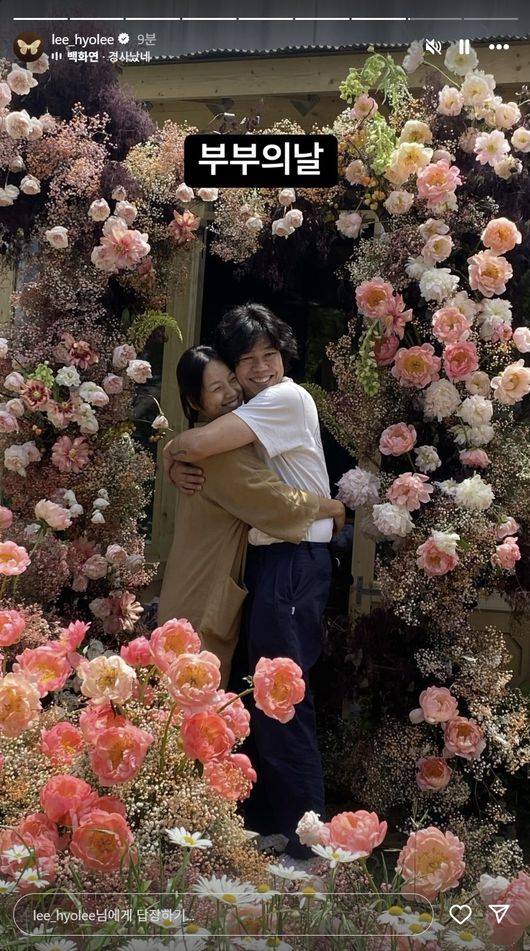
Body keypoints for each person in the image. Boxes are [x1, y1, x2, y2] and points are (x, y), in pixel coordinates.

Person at [164, 304, 336, 859]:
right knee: (265, 697)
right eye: (247, 361)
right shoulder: (251, 413)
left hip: (293, 559)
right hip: (274, 563)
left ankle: (308, 845)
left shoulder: (285, 398)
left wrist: (338, 509)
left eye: (271, 354)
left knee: (282, 699)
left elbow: (197, 446)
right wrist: (172, 455)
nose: (261, 368)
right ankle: (284, 827)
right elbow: (192, 444)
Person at [158, 344, 344, 691]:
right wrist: (334, 508)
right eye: (216, 388)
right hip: (201, 600)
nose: (231, 393)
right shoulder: (218, 455)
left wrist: (169, 452)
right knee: (192, 702)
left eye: (231, 380)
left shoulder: (209, 446)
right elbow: (274, 502)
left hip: (198, 592)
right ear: (195, 402)